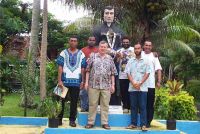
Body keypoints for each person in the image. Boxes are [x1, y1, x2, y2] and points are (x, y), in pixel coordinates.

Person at [84, 41, 117, 130]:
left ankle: (105, 123)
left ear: (107, 48)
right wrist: (86, 83)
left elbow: (113, 73)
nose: (103, 48)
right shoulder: (92, 56)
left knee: (105, 105)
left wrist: (113, 85)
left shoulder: (110, 58)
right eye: (101, 46)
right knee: (92, 104)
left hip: (106, 86)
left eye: (104, 47)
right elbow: (87, 70)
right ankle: (90, 122)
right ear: (98, 47)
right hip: (93, 85)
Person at [56, 36, 86, 127]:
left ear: (77, 42)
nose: (73, 42)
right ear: (69, 42)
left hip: (76, 82)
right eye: (71, 41)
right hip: (64, 81)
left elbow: (83, 68)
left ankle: (72, 120)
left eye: (75, 41)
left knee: (74, 102)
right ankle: (58, 119)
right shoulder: (63, 53)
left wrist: (82, 81)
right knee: (59, 101)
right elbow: (60, 67)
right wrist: (59, 80)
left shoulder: (81, 54)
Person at [125, 43, 150, 131]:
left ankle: (143, 125)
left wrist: (140, 83)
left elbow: (147, 73)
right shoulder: (130, 61)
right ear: (134, 50)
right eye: (135, 49)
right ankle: (133, 124)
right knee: (133, 106)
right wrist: (134, 83)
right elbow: (128, 73)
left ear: (141, 49)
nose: (137, 50)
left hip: (142, 88)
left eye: (138, 48)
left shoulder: (146, 60)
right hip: (132, 88)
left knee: (143, 106)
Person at [142, 40, 162, 128]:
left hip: (150, 85)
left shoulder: (154, 57)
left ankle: (148, 122)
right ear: (143, 46)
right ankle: (142, 122)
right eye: (146, 45)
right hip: (140, 85)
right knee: (141, 105)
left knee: (150, 105)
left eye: (149, 45)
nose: (147, 47)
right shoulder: (139, 54)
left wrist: (159, 81)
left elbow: (159, 69)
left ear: (151, 47)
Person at [80, 36, 98, 112]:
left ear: (95, 41)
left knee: (93, 93)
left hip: (95, 75)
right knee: (83, 92)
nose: (91, 41)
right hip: (84, 75)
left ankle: (91, 109)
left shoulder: (98, 50)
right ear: (87, 40)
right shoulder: (82, 50)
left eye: (93, 40)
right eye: (90, 40)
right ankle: (83, 107)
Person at [116, 36, 134, 113]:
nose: (125, 43)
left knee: (132, 91)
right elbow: (116, 62)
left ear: (129, 42)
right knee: (124, 92)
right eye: (124, 42)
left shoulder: (134, 49)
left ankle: (132, 107)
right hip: (122, 75)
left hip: (133, 75)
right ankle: (125, 107)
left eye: (127, 42)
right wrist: (118, 57)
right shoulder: (119, 51)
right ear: (122, 43)